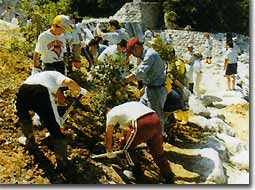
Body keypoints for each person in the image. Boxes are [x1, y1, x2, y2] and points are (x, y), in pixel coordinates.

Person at [15, 71, 88, 173]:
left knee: (23, 116)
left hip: (23, 89)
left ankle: (29, 140)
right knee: (56, 129)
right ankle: (62, 163)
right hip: (40, 92)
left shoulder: (41, 76)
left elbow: (58, 97)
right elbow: (69, 82)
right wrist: (80, 90)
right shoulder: (56, 74)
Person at [105, 101, 175, 183]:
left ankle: (137, 173)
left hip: (141, 122)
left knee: (126, 149)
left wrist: (109, 151)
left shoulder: (111, 114)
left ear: (107, 111)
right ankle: (169, 176)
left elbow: (108, 135)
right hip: (155, 119)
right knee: (157, 151)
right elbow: (128, 130)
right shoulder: (127, 106)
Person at [125, 37, 167, 132]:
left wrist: (124, 80)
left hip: (156, 90)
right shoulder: (146, 55)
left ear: (137, 47)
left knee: (156, 116)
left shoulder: (150, 55)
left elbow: (140, 73)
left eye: (132, 53)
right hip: (150, 89)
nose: (133, 55)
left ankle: (158, 139)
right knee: (140, 110)